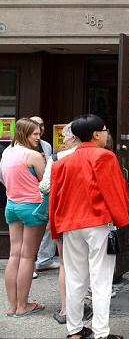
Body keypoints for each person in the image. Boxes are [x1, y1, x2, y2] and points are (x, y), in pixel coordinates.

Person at [49, 114, 129, 339]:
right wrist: (122, 218)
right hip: (98, 223)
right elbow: (114, 191)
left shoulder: (62, 161)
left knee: (75, 279)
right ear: (96, 134)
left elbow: (54, 198)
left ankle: (74, 330)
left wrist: (55, 228)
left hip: (69, 224)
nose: (107, 135)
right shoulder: (104, 156)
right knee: (100, 280)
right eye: (105, 131)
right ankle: (101, 333)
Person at [38, 123, 92, 324]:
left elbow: (44, 187)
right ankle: (80, 306)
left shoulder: (56, 158)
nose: (63, 140)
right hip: (88, 216)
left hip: (63, 216)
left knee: (65, 263)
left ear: (73, 138)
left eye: (65, 137)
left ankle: (66, 309)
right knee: (87, 262)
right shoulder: (93, 155)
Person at [0, 118, 46, 317]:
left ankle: (11, 306)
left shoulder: (6, 153)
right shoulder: (33, 155)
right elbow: (46, 183)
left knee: (14, 254)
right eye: (34, 134)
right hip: (32, 207)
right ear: (23, 133)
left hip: (12, 205)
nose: (38, 137)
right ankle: (23, 306)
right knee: (28, 256)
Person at [30, 116, 57, 278]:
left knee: (47, 226)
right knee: (31, 231)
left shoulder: (46, 145)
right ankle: (30, 264)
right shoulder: (17, 148)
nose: (40, 129)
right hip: (29, 191)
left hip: (45, 190)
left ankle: (44, 260)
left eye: (41, 125)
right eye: (35, 127)